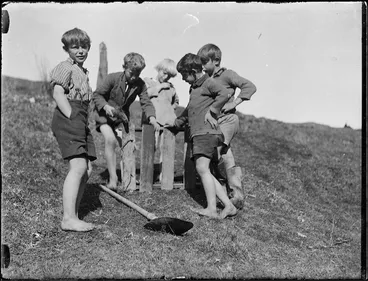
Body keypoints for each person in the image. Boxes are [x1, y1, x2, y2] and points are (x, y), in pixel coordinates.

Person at [165, 53, 237, 219]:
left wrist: (213, 111)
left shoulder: (208, 82)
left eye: (184, 75)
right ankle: (229, 205)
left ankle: (211, 208)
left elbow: (224, 93)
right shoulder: (195, 88)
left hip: (206, 132)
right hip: (201, 133)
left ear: (192, 71)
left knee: (202, 169)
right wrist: (177, 123)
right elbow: (190, 109)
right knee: (206, 172)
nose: (183, 79)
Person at [197, 43, 257, 210]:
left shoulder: (227, 74)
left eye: (204, 62)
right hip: (216, 122)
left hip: (228, 121)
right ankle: (235, 196)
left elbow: (249, 86)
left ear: (216, 61)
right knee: (224, 154)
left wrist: (235, 103)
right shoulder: (206, 80)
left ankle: (230, 193)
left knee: (215, 152)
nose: (201, 66)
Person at [50, 27, 97, 232]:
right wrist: (71, 115)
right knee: (78, 166)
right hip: (70, 117)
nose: (80, 51)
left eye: (84, 46)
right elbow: (58, 93)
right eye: (74, 47)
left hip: (80, 119)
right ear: (67, 49)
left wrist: (82, 120)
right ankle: (68, 218)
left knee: (86, 169)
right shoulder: (65, 67)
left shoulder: (82, 72)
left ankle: (74, 216)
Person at [92, 52, 160, 190]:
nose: (134, 77)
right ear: (125, 67)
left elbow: (146, 102)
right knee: (110, 140)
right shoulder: (112, 78)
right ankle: (113, 179)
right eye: (131, 73)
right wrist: (106, 106)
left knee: (128, 145)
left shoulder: (140, 84)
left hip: (121, 118)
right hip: (103, 116)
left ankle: (128, 179)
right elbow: (97, 95)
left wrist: (152, 118)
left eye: (138, 73)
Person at [143, 58, 179, 152]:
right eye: (164, 73)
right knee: (151, 147)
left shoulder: (170, 87)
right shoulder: (149, 82)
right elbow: (145, 95)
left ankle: (163, 166)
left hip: (167, 122)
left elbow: (176, 101)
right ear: (159, 69)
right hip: (153, 120)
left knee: (166, 148)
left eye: (169, 75)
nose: (166, 77)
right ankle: (149, 166)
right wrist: (159, 87)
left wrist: (171, 109)